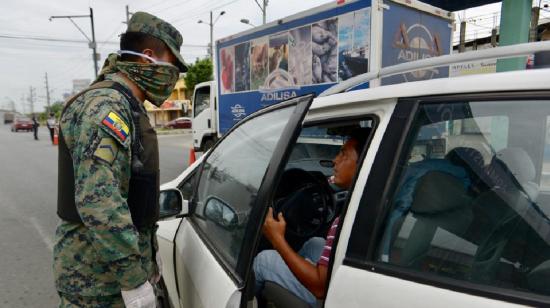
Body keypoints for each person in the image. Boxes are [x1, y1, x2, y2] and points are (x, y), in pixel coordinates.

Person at [53, 12, 187, 308]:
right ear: (148, 58)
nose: (174, 75)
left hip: (106, 275)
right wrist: (133, 280)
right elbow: (98, 201)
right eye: (173, 66)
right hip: (97, 282)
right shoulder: (107, 107)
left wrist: (148, 259)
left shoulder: (124, 103)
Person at [254, 129, 369, 307]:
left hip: (328, 294)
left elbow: (320, 287)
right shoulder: (368, 202)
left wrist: (277, 239)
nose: (335, 160)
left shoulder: (344, 222)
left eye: (344, 154)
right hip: (351, 279)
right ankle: (293, 271)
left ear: (363, 163)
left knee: (264, 259)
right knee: (314, 242)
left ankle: (246, 300)